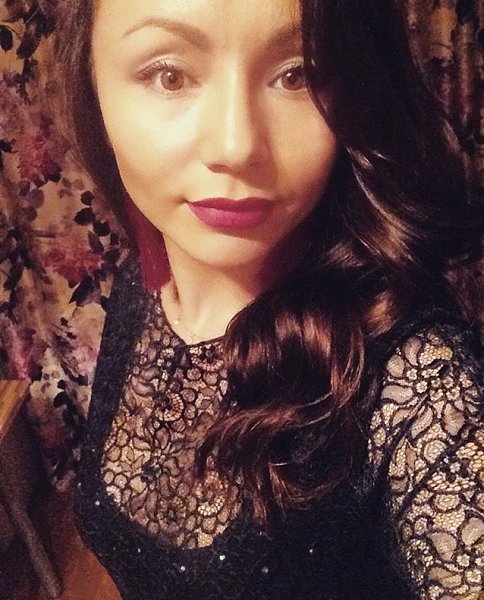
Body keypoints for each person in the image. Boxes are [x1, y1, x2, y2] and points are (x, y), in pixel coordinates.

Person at [53, 0, 483, 598]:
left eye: (298, 74)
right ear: (92, 83)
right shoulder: (141, 281)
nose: (237, 145)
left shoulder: (417, 377)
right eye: (170, 75)